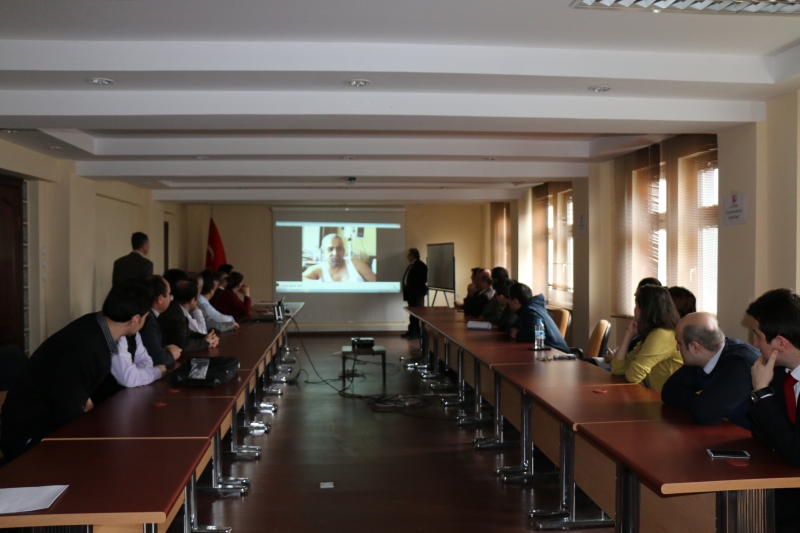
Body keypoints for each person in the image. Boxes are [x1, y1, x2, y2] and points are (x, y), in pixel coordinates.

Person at [0, 281, 152, 461]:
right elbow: (68, 411)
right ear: (135, 319)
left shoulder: (96, 324)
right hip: (31, 432)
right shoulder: (89, 346)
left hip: (45, 417)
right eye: (146, 317)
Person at [746, 289, 800, 532]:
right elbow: (761, 433)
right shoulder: (780, 373)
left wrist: (762, 392)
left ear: (780, 343)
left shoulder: (771, 378)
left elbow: (796, 453)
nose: (754, 343)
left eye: (757, 336)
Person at [661, 312, 759, 429]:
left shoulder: (740, 364)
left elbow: (703, 414)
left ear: (695, 347)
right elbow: (669, 390)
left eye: (679, 343)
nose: (677, 348)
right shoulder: (704, 356)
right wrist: (703, 402)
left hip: (753, 442)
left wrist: (705, 405)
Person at [611, 284, 683, 393]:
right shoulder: (654, 333)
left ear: (645, 309)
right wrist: (628, 334)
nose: (634, 310)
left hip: (676, 406)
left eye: (636, 305)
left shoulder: (662, 335)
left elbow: (633, 376)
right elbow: (618, 369)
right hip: (663, 400)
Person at [507, 282, 570, 353]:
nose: (508, 302)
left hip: (557, 354)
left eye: (509, 299)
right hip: (546, 352)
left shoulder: (531, 313)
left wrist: (517, 334)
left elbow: (538, 336)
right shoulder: (525, 310)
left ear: (515, 301)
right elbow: (512, 328)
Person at [158, 279, 219, 352]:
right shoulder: (174, 315)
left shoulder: (176, 308)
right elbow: (182, 344)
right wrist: (207, 342)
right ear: (192, 300)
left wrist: (206, 338)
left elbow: (188, 333)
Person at [140, 275, 182, 366]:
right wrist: (172, 355)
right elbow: (159, 360)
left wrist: (165, 348)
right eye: (169, 294)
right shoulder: (147, 320)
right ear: (160, 299)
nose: (171, 298)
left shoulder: (150, 315)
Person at [302, 234, 376, 282]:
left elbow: (377, 282)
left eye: (339, 249)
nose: (335, 253)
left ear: (344, 251)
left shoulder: (355, 263)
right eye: (330, 249)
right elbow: (299, 280)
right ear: (323, 252)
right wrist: (319, 284)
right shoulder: (319, 269)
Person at [401, 248, 427, 340]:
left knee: (416, 314)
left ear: (413, 256)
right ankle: (411, 331)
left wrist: (414, 290)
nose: (407, 257)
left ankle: (415, 333)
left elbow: (421, 280)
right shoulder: (412, 265)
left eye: (408, 255)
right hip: (411, 294)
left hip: (416, 294)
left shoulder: (420, 265)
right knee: (412, 313)